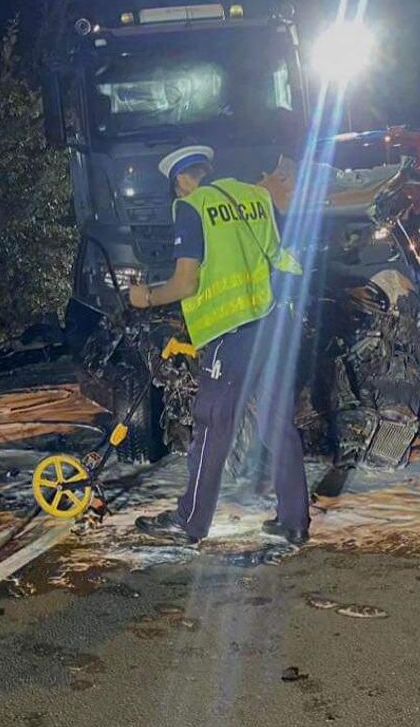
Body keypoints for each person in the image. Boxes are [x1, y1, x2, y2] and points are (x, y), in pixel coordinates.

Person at [127, 145, 309, 544]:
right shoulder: (254, 197)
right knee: (277, 423)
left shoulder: (192, 207)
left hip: (232, 332)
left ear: (180, 181)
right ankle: (294, 521)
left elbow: (186, 282)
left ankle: (190, 521)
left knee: (211, 425)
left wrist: (146, 297)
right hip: (271, 322)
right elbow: (277, 257)